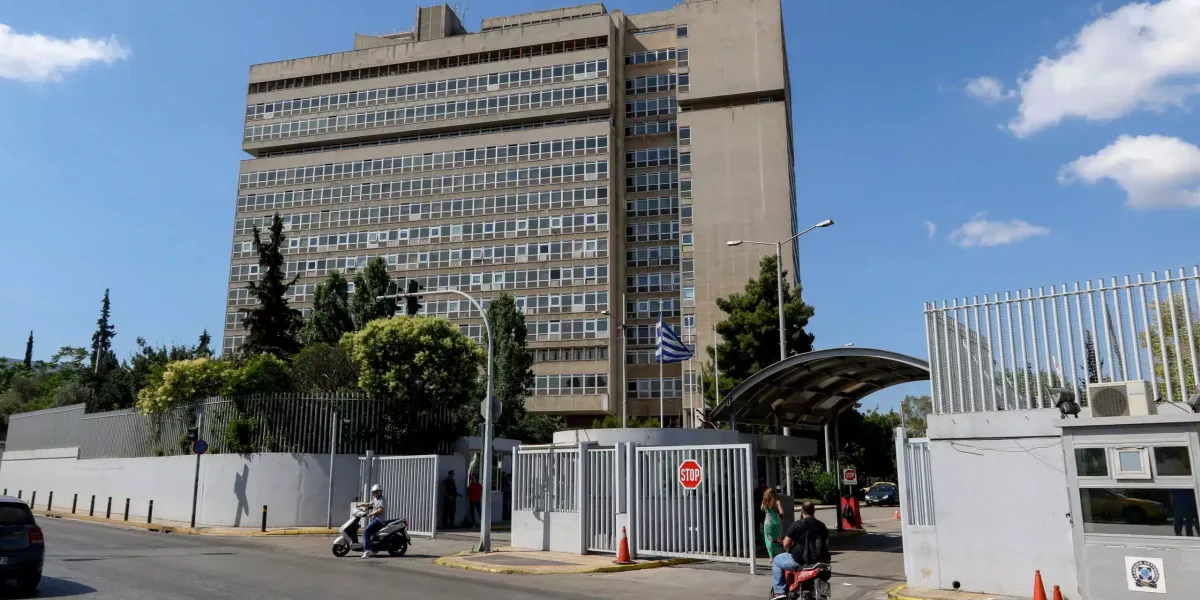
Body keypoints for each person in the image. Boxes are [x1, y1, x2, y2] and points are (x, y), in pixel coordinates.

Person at [772, 501, 830, 600]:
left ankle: (779, 591)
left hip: (801, 560)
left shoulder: (797, 524)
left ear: (802, 511)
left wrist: (789, 550)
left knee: (776, 561)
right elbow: (826, 543)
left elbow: (786, 544)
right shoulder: (822, 525)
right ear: (814, 511)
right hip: (821, 562)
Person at [357, 483, 386, 559]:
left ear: (380, 492)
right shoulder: (375, 499)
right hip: (375, 519)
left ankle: (367, 550)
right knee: (370, 533)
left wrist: (371, 514)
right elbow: (369, 504)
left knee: (365, 532)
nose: (375, 493)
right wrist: (361, 505)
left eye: (377, 492)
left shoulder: (382, 499)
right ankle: (372, 549)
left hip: (379, 520)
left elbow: (380, 509)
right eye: (374, 492)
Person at [761, 488, 785, 559]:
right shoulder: (777, 502)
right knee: (778, 539)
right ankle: (779, 555)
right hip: (777, 522)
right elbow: (781, 512)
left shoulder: (764, 502)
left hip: (768, 523)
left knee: (769, 540)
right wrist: (781, 518)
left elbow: (761, 508)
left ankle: (771, 557)